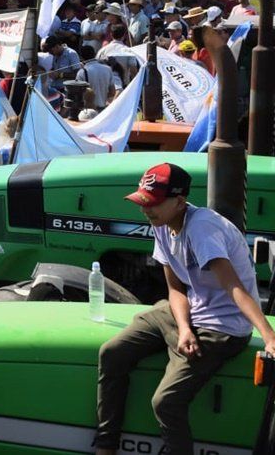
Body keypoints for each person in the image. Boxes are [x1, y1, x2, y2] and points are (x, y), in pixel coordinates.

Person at [95, 164, 275, 455]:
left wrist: (269, 336)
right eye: (142, 201)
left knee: (165, 402)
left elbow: (235, 287)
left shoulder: (202, 229)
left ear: (179, 201)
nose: (145, 209)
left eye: (152, 203)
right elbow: (176, 289)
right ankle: (106, 446)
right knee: (111, 353)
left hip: (222, 327)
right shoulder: (162, 224)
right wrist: (184, 328)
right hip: (190, 313)